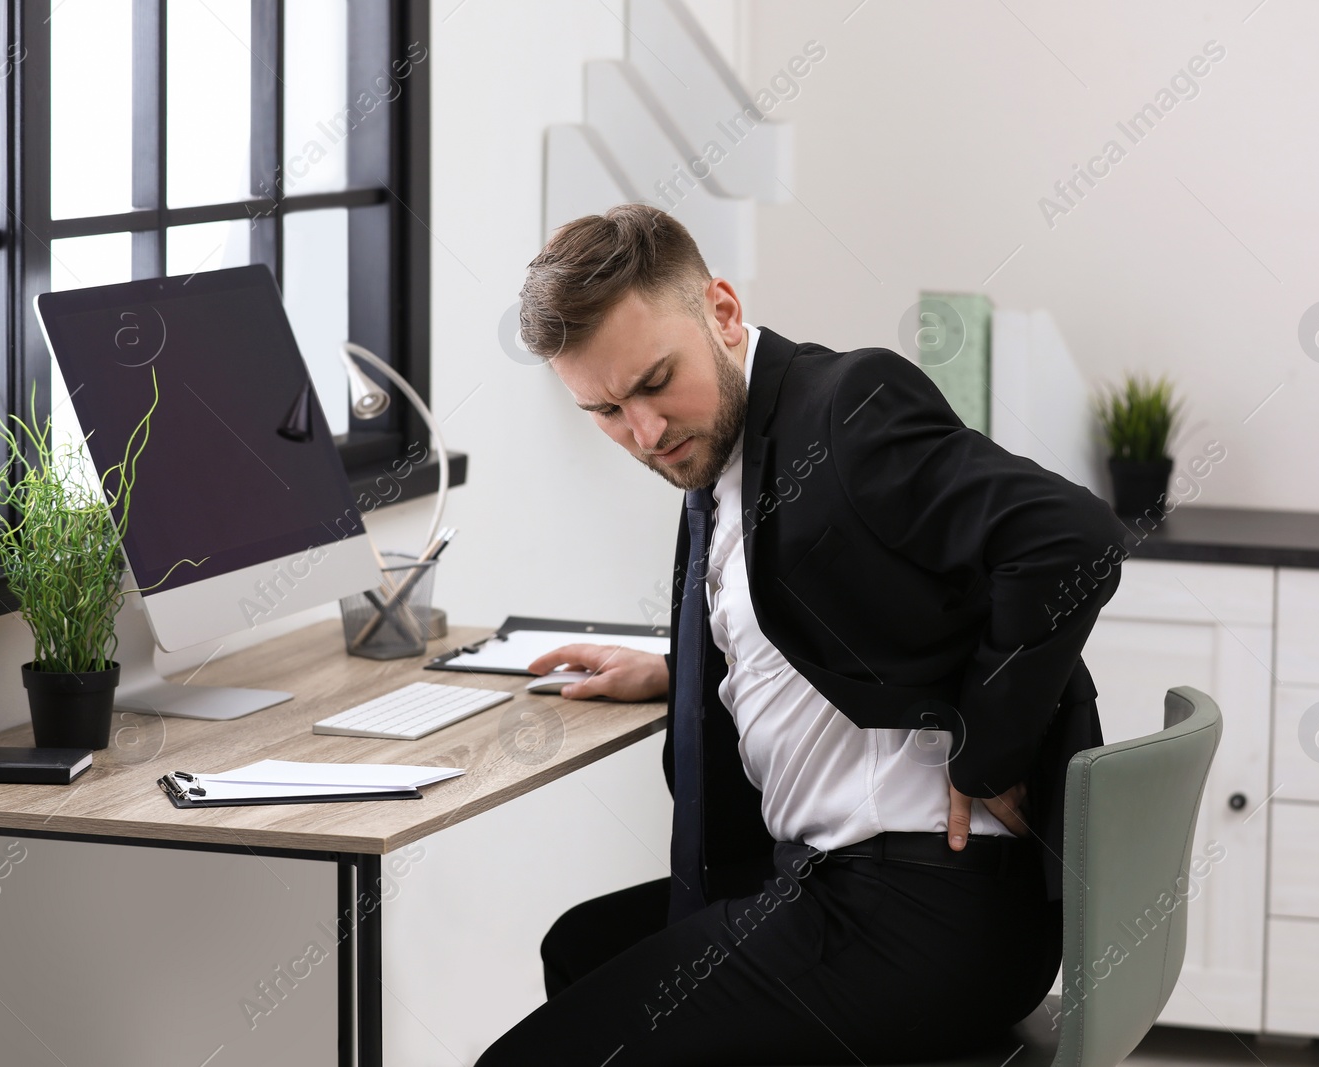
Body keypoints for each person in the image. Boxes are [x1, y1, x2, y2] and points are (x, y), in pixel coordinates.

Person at [476, 203, 1126, 1065]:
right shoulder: (725, 449)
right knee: (582, 947)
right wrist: (679, 668)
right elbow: (820, 600)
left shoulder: (845, 410)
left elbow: (1071, 537)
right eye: (604, 410)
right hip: (847, 882)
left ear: (723, 310)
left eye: (655, 380)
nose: (644, 431)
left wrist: (988, 750)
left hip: (927, 909)